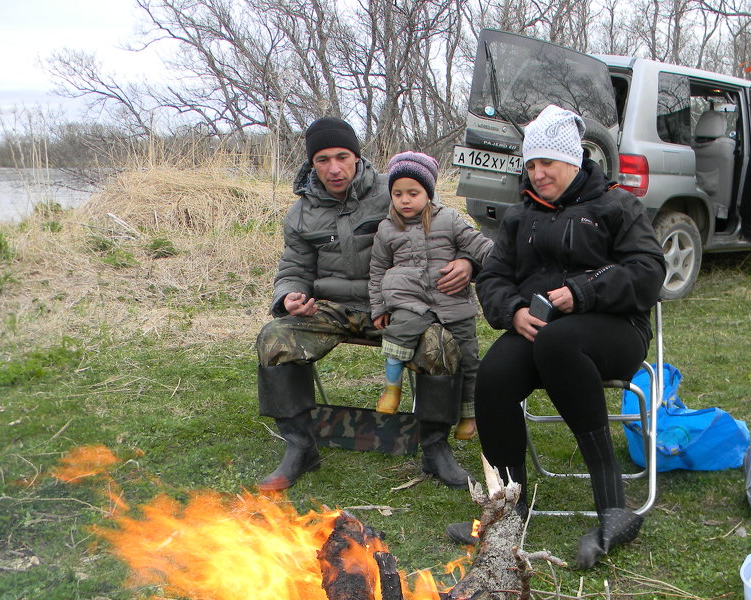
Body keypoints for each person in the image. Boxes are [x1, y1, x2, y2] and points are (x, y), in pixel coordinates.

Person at [446, 104, 665, 569]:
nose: (537, 172)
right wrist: (513, 311)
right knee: (495, 374)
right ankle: (507, 508)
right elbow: (492, 278)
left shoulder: (616, 205)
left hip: (613, 329)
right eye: (530, 163)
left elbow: (648, 274)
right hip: (539, 327)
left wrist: (583, 292)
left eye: (546, 162)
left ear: (573, 160)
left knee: (557, 343)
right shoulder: (519, 217)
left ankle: (613, 506)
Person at [254, 118, 478, 492]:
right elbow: (293, 268)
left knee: (440, 343)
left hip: (398, 305)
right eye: (323, 160)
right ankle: (300, 446)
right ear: (312, 164)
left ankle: (435, 449)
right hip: (330, 307)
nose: (334, 168)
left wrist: (468, 264)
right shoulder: (300, 213)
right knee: (275, 339)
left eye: (343, 157)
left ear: (358, 157)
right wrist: (289, 296)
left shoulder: (394, 189)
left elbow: (445, 232)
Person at [369, 151, 492, 440]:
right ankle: (392, 389)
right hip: (409, 300)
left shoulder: (449, 219)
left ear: (429, 193)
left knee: (469, 357)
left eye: (413, 192)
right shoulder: (387, 229)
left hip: (452, 302)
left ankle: (468, 414)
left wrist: (498, 257)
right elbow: (377, 270)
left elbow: (477, 244)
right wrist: (378, 308)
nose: (405, 200)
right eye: (397, 193)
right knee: (398, 335)